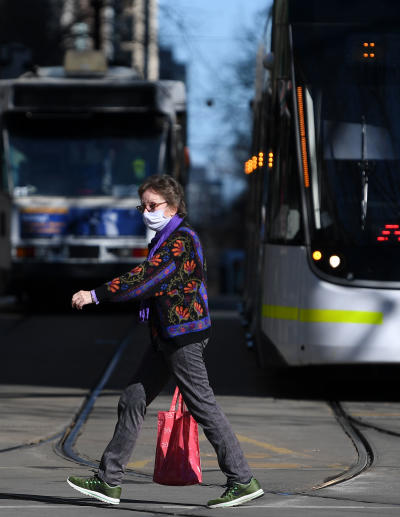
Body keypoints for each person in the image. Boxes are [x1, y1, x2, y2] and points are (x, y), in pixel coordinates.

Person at [67, 174, 263, 509]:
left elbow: (145, 279)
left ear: (172, 207)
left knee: (203, 406)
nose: (146, 211)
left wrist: (95, 295)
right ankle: (108, 481)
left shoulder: (180, 241)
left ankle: (242, 480)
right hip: (166, 335)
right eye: (143, 205)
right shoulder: (164, 238)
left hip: (183, 337)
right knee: (132, 399)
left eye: (152, 205)